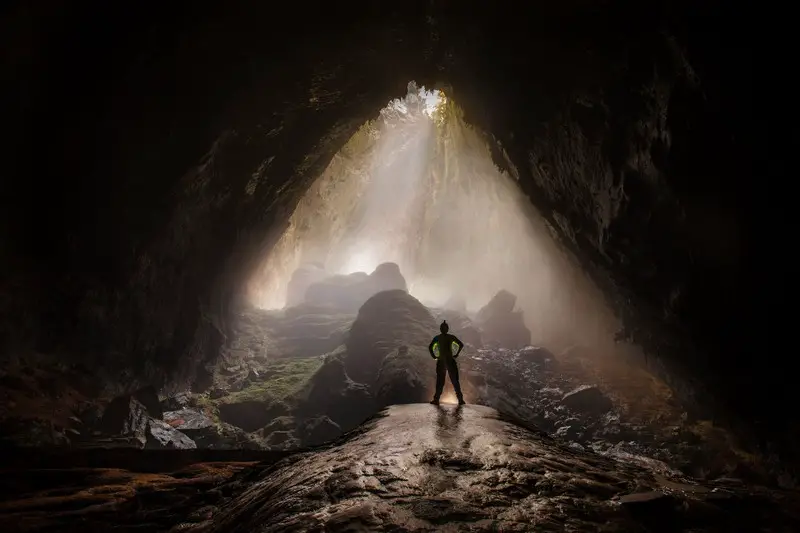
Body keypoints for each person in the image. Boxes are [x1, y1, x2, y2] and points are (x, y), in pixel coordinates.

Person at [428, 320, 465, 405]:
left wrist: (434, 356)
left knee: (440, 382)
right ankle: (460, 400)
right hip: (450, 361)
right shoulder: (451, 337)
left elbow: (430, 347)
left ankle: (436, 399)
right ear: (447, 329)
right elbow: (461, 344)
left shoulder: (437, 337)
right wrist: (456, 354)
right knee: (455, 381)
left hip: (441, 361)